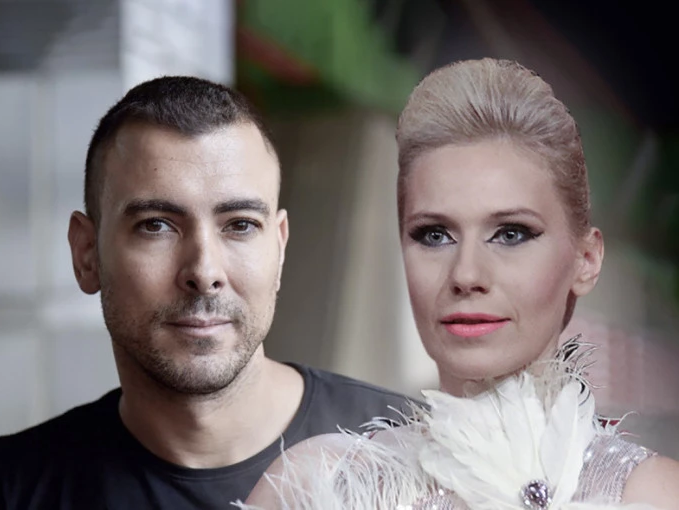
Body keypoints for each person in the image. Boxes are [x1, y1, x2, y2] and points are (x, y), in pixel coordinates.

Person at [0, 76, 413, 509]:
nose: (204, 272)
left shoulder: (411, 452)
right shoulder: (4, 494)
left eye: (240, 225)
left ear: (279, 248)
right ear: (86, 255)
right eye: (156, 226)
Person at [241, 59, 679, 509]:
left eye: (511, 234)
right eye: (434, 235)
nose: (466, 275)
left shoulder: (656, 495)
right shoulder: (313, 487)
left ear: (586, 260)